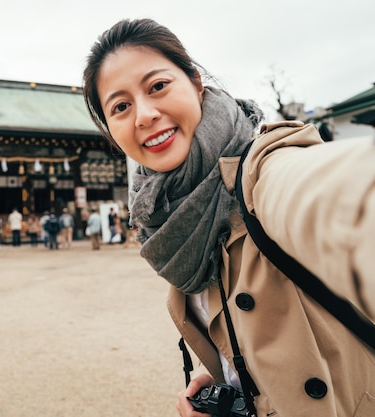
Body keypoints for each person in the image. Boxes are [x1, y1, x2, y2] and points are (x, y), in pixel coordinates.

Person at [83, 18, 374, 417]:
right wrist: (229, 376)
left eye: (158, 86)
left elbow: (340, 196)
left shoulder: (264, 171)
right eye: (120, 106)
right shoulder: (165, 213)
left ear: (196, 84)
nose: (144, 115)